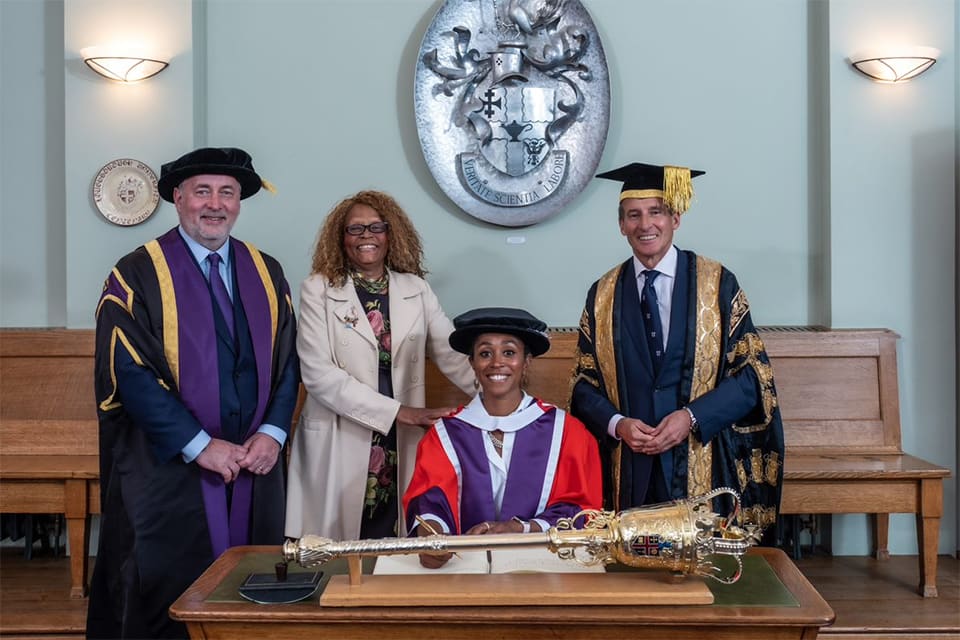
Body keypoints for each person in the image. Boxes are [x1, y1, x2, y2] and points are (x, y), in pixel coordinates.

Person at [87, 147, 299, 639]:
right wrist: (199, 445)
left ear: (240, 202)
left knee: (257, 582)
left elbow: (289, 360)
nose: (215, 204)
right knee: (165, 586)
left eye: (227, 192)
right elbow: (128, 371)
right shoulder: (136, 273)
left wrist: (272, 433)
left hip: (253, 462)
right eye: (202, 191)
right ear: (178, 199)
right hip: (169, 468)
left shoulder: (266, 271)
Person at [570, 162, 785, 542]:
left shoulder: (717, 284)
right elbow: (583, 385)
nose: (645, 224)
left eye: (656, 212)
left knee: (701, 575)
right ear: (621, 225)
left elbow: (752, 378)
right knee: (632, 574)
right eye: (633, 215)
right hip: (629, 468)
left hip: (701, 462)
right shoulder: (602, 294)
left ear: (676, 218)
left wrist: (692, 417)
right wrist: (618, 423)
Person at [285, 190, 475, 542]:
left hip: (399, 438)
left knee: (394, 532)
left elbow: (451, 353)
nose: (366, 236)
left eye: (376, 227)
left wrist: (503, 402)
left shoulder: (415, 288)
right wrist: (400, 412)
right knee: (336, 549)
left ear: (392, 234)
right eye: (355, 229)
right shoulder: (317, 290)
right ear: (340, 238)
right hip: (342, 432)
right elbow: (317, 374)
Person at [403, 307, 603, 568]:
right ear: (472, 363)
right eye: (485, 353)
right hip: (465, 571)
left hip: (545, 569)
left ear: (526, 361)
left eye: (509, 352)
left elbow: (582, 511)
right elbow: (430, 503)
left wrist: (520, 528)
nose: (497, 362)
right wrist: (433, 538)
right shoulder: (444, 435)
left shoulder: (569, 433)